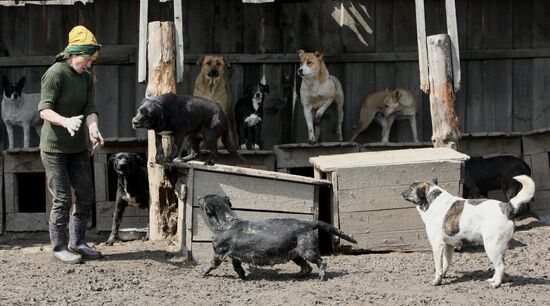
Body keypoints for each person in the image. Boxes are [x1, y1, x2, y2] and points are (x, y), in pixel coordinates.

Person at [38, 25, 105, 264]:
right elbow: (44, 110)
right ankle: (59, 246)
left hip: (77, 148)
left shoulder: (86, 77)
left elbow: (90, 108)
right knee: (63, 198)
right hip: (54, 148)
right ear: (74, 54)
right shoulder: (56, 73)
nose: (90, 64)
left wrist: (93, 128)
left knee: (86, 195)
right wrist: (65, 121)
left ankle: (78, 242)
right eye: (88, 58)